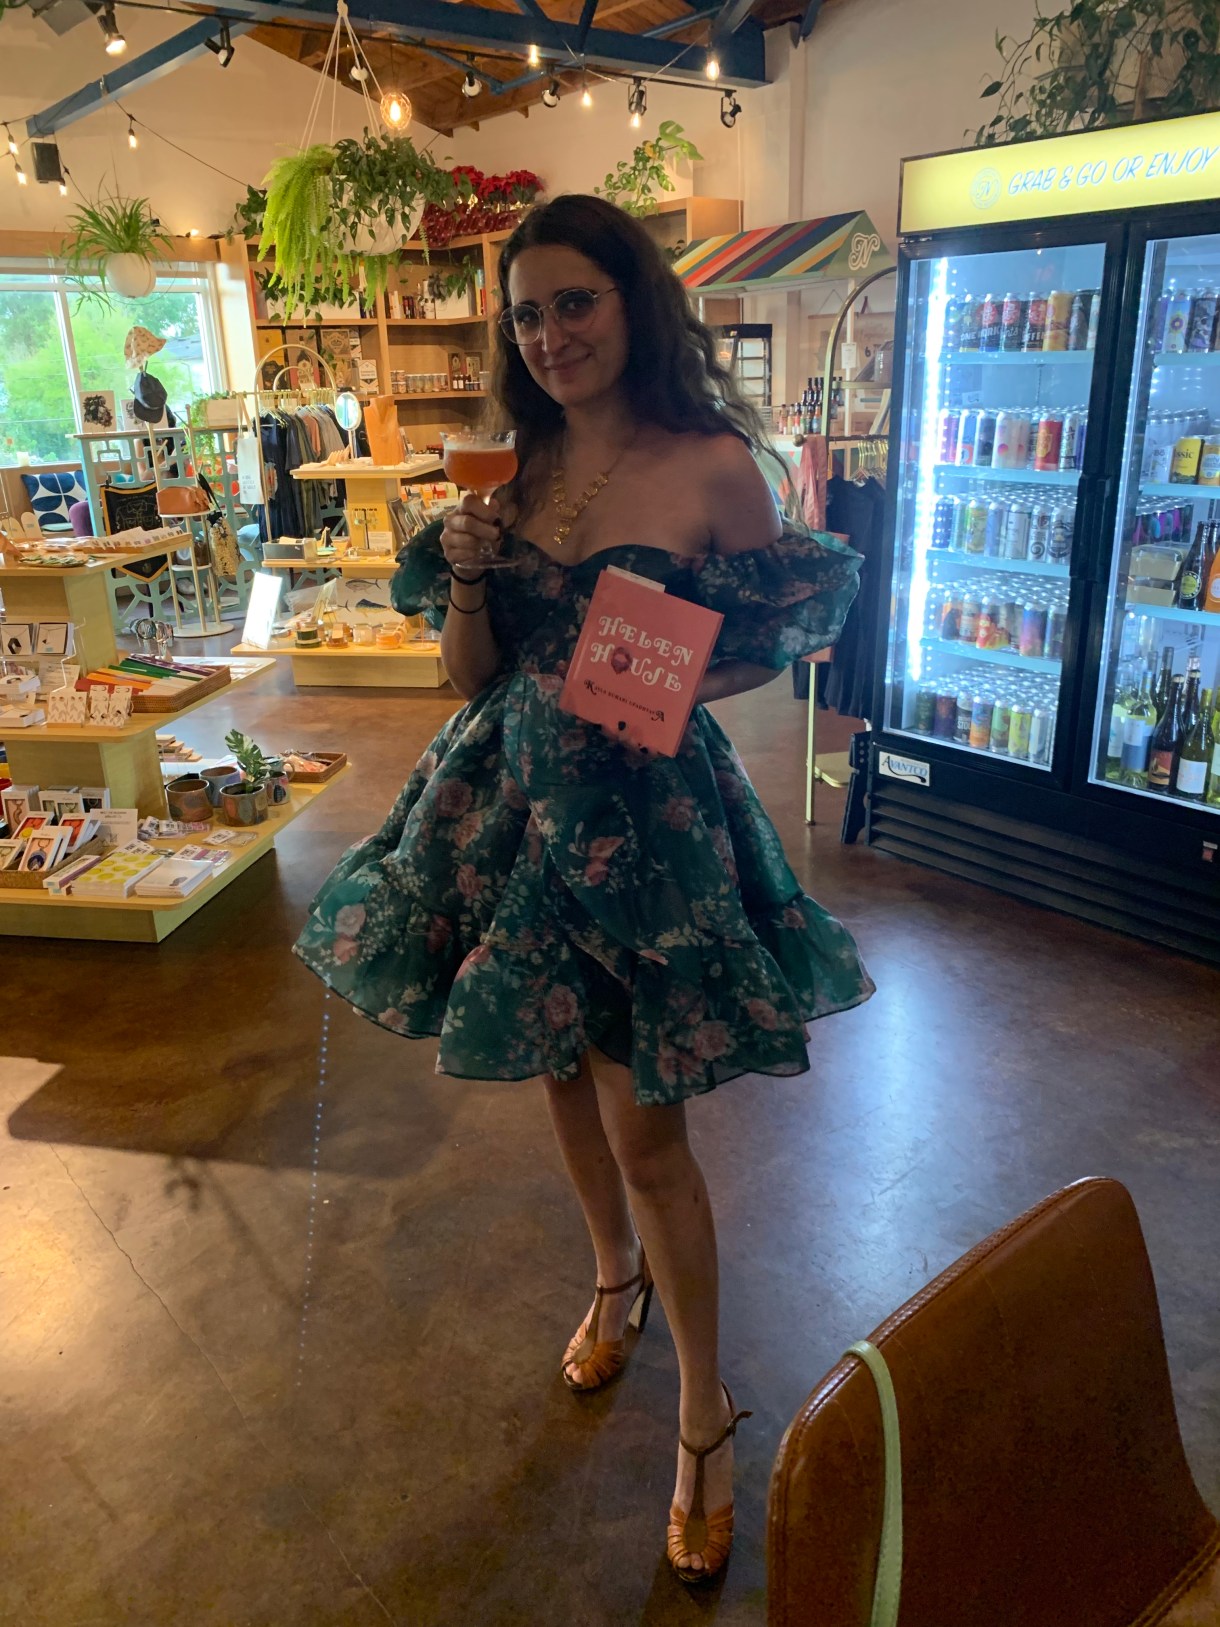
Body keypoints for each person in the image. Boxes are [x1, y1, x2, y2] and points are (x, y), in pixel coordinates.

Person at [295, 194, 874, 1585]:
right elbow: (468, 679)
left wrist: (673, 687)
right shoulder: (523, 463)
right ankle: (612, 1281)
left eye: (576, 302)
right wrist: (476, 581)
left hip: (642, 825)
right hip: (506, 809)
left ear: (634, 303)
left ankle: (702, 1417)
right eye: (529, 312)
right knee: (558, 1068)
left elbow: (775, 641)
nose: (551, 334)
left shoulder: (715, 466)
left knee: (652, 1131)